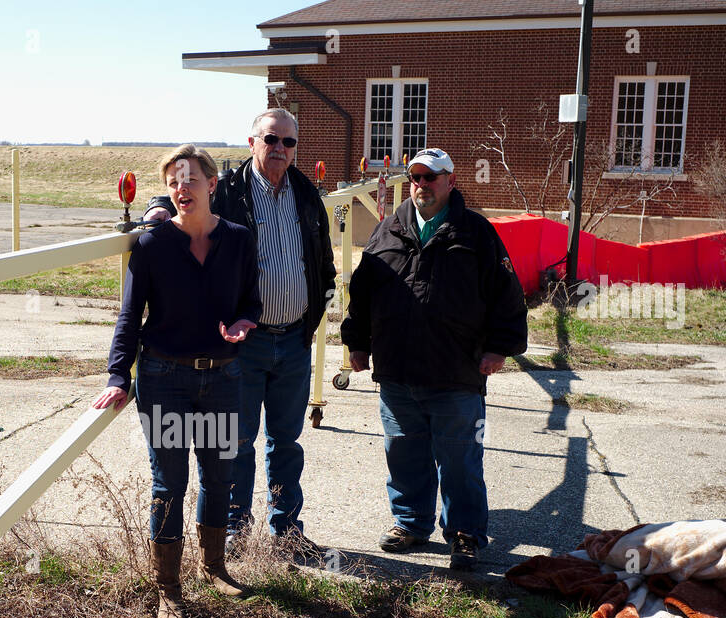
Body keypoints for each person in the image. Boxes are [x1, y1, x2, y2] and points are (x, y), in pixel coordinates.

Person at [144, 109, 335, 557]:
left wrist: (312, 315)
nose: (280, 149)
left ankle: (286, 528)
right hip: (242, 342)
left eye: (289, 142)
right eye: (271, 139)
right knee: (237, 441)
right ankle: (234, 528)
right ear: (252, 142)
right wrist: (158, 204)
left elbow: (323, 262)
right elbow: (185, 188)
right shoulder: (228, 190)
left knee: (286, 440)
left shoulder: (306, 195)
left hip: (292, 340)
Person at [95, 144, 260, 618]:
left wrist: (244, 324)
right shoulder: (150, 245)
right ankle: (169, 591)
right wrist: (117, 376)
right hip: (164, 377)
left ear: (212, 184)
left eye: (190, 179)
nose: (181, 188)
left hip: (223, 376)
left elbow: (251, 301)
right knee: (170, 482)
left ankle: (214, 569)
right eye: (173, 181)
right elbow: (129, 316)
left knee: (219, 477)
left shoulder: (238, 239)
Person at [341, 148, 527, 571]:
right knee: (404, 454)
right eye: (416, 177)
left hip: (456, 371)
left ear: (450, 181)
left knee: (460, 461)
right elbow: (362, 295)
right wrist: (357, 343)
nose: (422, 185)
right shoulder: (387, 230)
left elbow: (508, 295)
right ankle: (410, 524)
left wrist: (500, 346)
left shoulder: (476, 233)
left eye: (431, 177)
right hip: (398, 371)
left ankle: (464, 534)